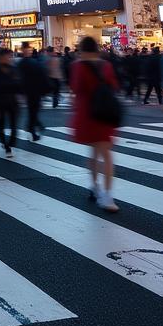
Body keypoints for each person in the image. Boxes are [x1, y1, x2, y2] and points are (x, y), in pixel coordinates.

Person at [70, 37, 120, 213]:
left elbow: (76, 89)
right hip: (104, 113)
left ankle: (94, 186)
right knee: (106, 154)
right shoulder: (105, 65)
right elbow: (114, 86)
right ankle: (107, 195)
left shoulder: (78, 66)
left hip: (86, 113)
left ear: (81, 49)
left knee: (92, 152)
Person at [0, 49, 20, 156]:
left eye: (10, 56)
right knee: (1, 126)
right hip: (0, 102)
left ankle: (10, 143)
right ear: (0, 58)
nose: (9, 58)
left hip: (12, 101)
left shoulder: (13, 69)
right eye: (8, 56)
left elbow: (19, 84)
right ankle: (6, 146)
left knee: (14, 126)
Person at [18, 47, 50, 141]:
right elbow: (41, 76)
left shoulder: (21, 63)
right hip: (35, 90)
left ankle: (34, 127)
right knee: (34, 110)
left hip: (28, 90)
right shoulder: (34, 63)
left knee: (32, 110)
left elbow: (19, 78)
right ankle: (34, 127)